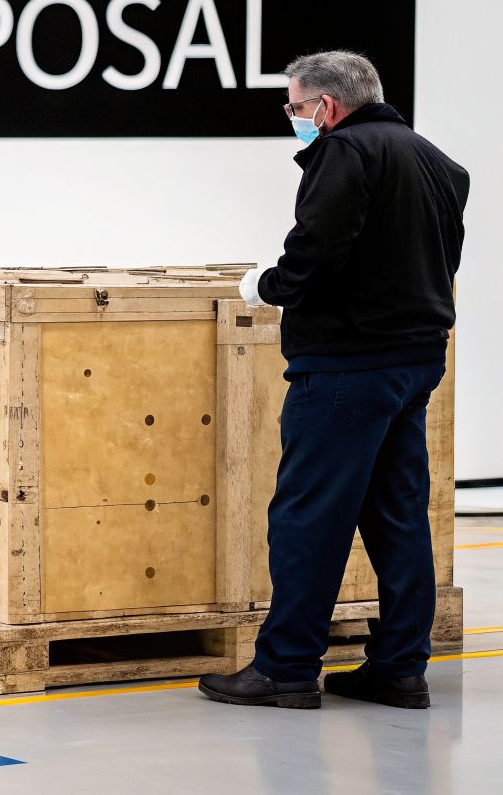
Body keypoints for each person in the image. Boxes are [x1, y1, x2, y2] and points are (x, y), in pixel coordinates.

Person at [199, 51, 469, 710]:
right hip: (414, 360)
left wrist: (268, 287)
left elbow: (317, 247)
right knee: (398, 515)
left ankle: (287, 667)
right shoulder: (436, 161)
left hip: (348, 365)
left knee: (309, 517)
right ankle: (400, 668)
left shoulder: (345, 151)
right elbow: (444, 256)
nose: (293, 119)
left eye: (295, 107)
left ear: (327, 105)